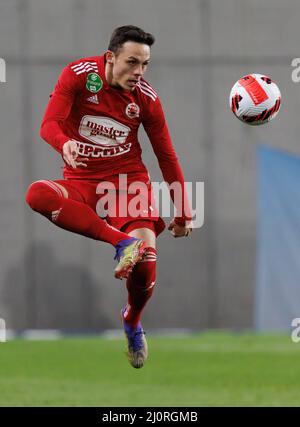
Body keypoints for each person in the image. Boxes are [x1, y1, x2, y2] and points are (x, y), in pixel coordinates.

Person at [25, 25, 192, 369]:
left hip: (127, 186)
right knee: (37, 194)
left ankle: (132, 321)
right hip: (83, 182)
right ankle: (121, 243)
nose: (139, 72)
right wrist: (64, 142)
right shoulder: (78, 75)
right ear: (110, 57)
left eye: (145, 64)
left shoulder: (145, 98)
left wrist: (184, 209)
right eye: (132, 63)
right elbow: (49, 124)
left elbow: (167, 156)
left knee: (146, 265)